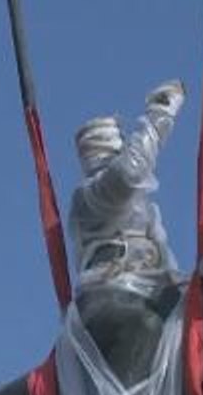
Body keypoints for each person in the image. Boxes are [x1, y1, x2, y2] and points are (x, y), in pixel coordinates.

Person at [68, 79, 186, 294]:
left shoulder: (133, 203)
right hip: (122, 285)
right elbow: (131, 169)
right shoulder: (93, 195)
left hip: (152, 283)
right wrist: (160, 115)